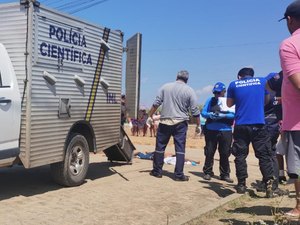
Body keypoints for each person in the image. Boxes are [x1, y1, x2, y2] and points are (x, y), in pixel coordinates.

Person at [227, 67, 275, 198]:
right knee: (264, 155)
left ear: (239, 76)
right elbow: (266, 101)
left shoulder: (233, 84)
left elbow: (229, 104)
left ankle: (241, 184)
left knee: (240, 155)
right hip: (258, 124)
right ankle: (269, 185)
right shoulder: (262, 81)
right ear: (252, 75)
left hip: (241, 125)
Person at [148, 70, 200, 181]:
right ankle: (178, 175)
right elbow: (195, 110)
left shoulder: (165, 87)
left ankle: (157, 171)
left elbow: (156, 103)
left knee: (160, 147)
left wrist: (149, 115)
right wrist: (198, 125)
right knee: (180, 149)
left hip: (165, 121)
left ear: (176, 77)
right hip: (180, 123)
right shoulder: (190, 90)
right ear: (187, 79)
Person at [279, 0, 300, 217]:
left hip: (297, 120)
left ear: (289, 19)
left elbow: (298, 82)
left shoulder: (289, 44)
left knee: (299, 166)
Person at [201, 82, 235, 183]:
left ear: (224, 92)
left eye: (219, 92)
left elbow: (234, 114)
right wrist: (210, 115)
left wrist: (224, 116)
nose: (217, 95)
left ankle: (225, 174)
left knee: (225, 153)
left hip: (226, 131)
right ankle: (207, 172)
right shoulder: (210, 100)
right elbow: (203, 112)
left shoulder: (229, 101)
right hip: (211, 130)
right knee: (209, 151)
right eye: (215, 93)